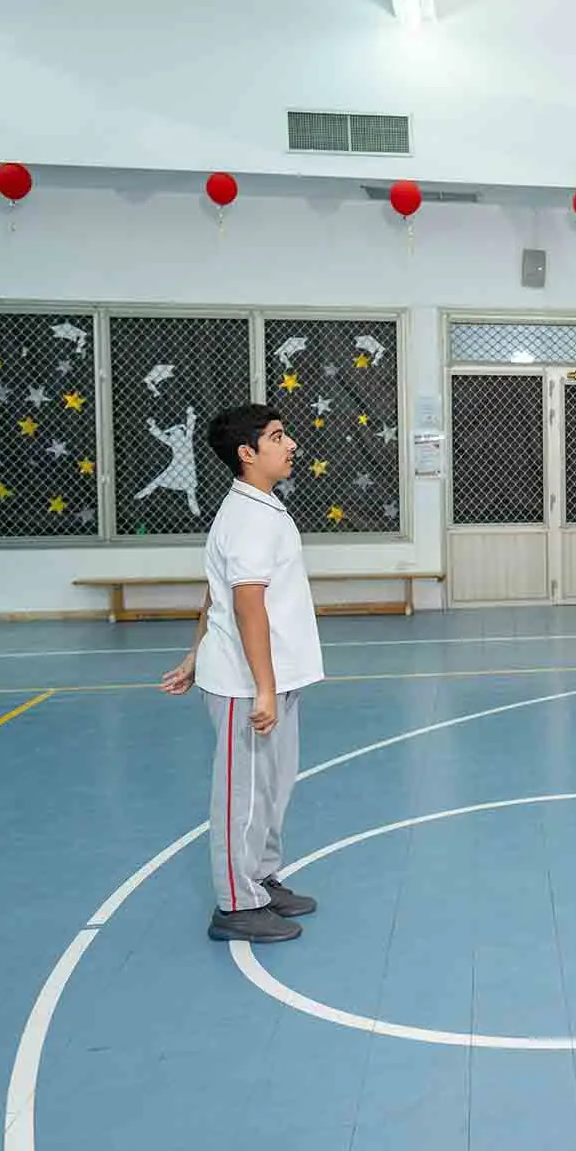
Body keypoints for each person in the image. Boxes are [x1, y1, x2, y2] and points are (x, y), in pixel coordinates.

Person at [161, 403, 322, 942]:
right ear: (247, 454)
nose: (291, 444)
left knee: (274, 787)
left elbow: (216, 591)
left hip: (271, 675)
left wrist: (193, 651)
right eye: (278, 437)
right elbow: (246, 603)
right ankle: (236, 903)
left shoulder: (263, 507)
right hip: (246, 684)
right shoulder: (249, 517)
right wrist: (265, 688)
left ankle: (259, 879)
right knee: (243, 793)